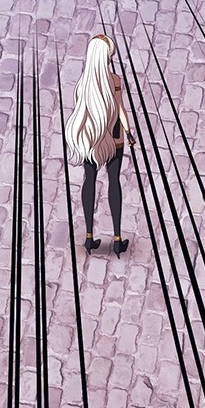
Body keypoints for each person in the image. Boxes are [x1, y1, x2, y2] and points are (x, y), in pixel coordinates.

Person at [65, 34, 136, 257]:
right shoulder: (113, 80)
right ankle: (117, 239)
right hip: (114, 139)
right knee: (114, 182)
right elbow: (120, 109)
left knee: (90, 181)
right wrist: (128, 133)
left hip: (91, 139)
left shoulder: (83, 83)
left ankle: (88, 237)